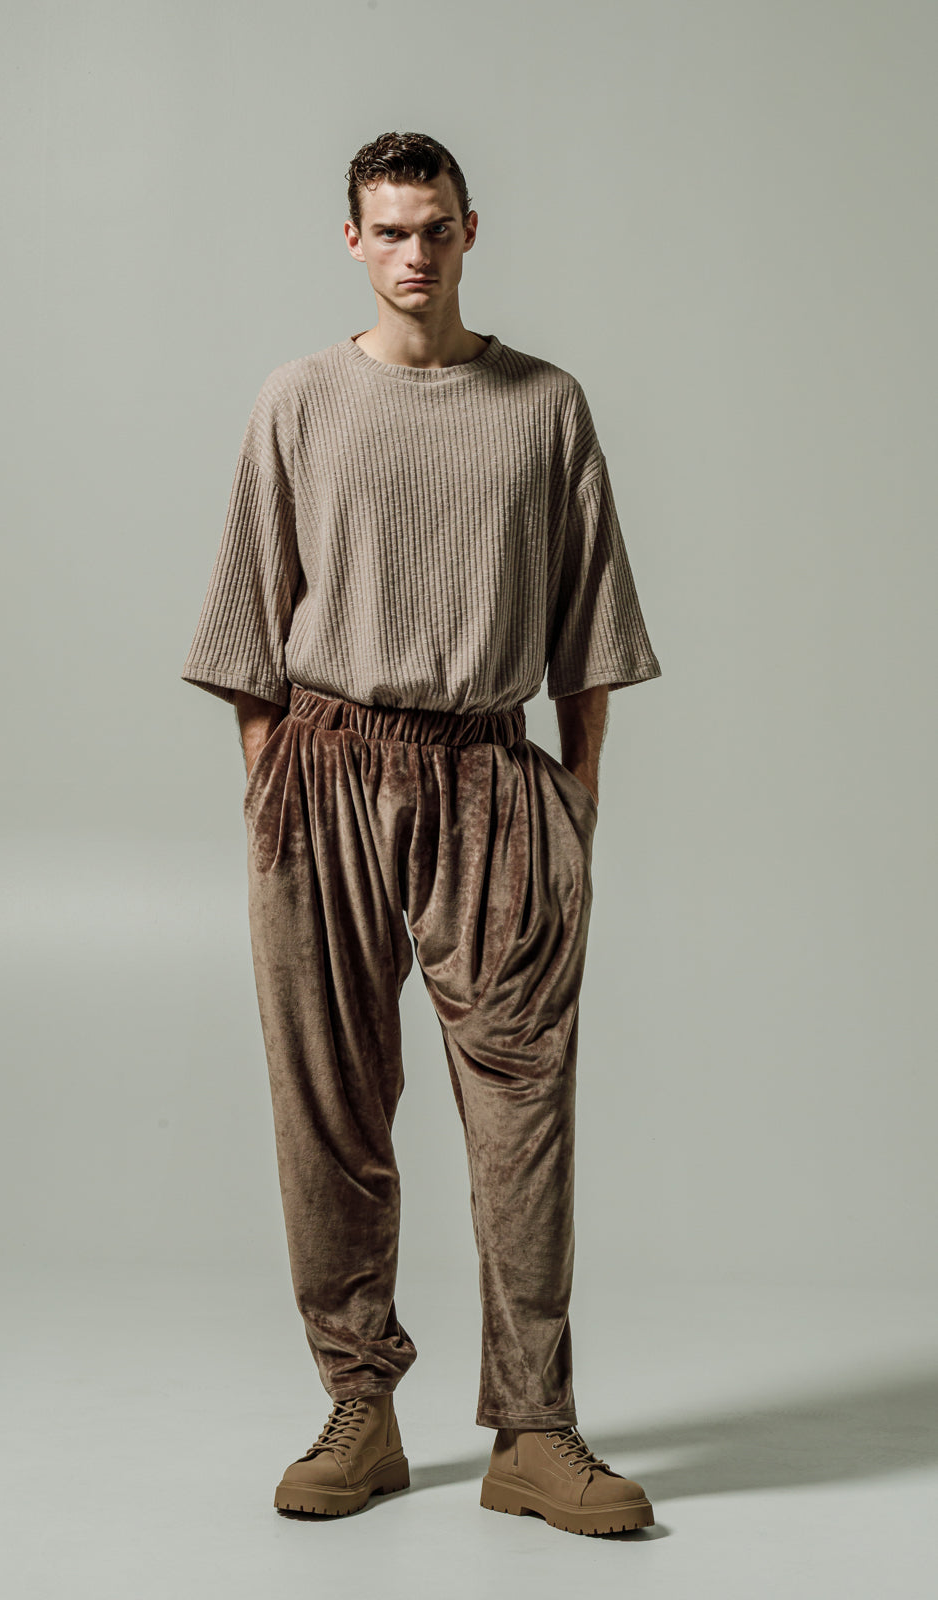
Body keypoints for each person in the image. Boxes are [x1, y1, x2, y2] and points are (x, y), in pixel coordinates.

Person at [180, 130, 662, 1538]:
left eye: (435, 228)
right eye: (389, 230)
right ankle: (360, 1407)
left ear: (470, 231)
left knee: (523, 1113)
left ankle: (536, 1429)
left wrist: (575, 797)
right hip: (321, 775)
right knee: (328, 1106)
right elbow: (250, 604)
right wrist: (269, 780)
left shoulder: (545, 404)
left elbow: (588, 616)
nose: (413, 253)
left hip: (490, 779)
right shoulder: (299, 398)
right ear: (352, 239)